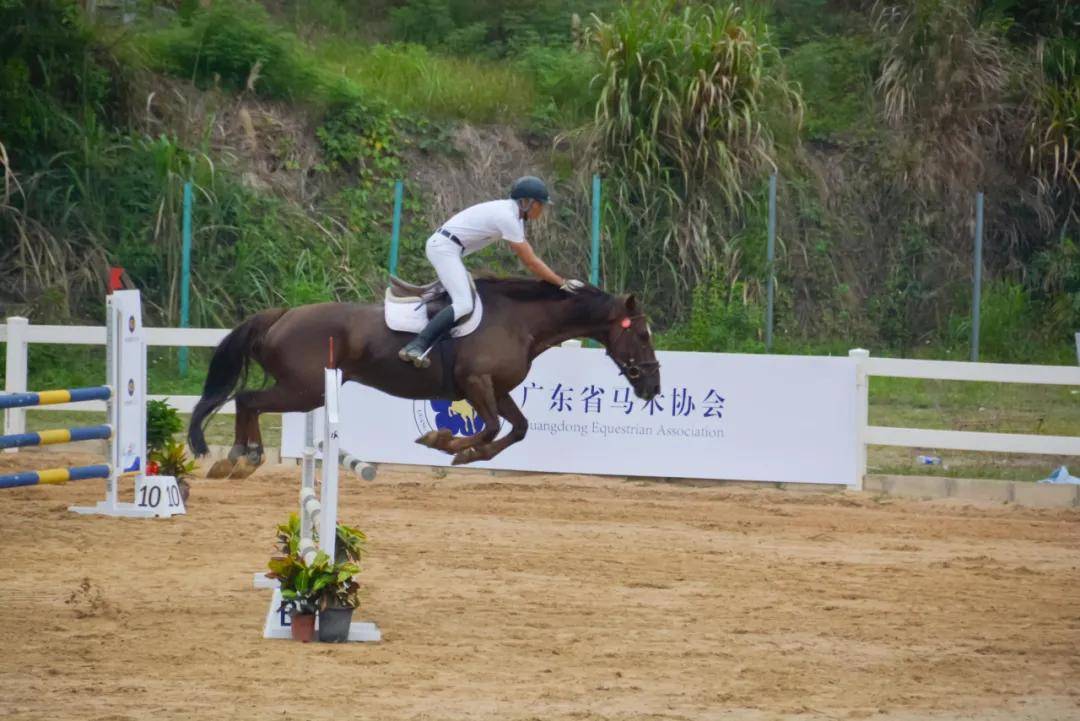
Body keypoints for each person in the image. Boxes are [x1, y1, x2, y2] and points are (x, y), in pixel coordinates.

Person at [398, 176, 585, 366]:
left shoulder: (513, 217)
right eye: (540, 204)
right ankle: (417, 345)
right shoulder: (507, 217)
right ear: (527, 202)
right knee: (463, 303)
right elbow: (530, 261)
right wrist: (561, 283)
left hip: (449, 249)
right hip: (444, 249)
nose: (542, 209)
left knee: (467, 300)